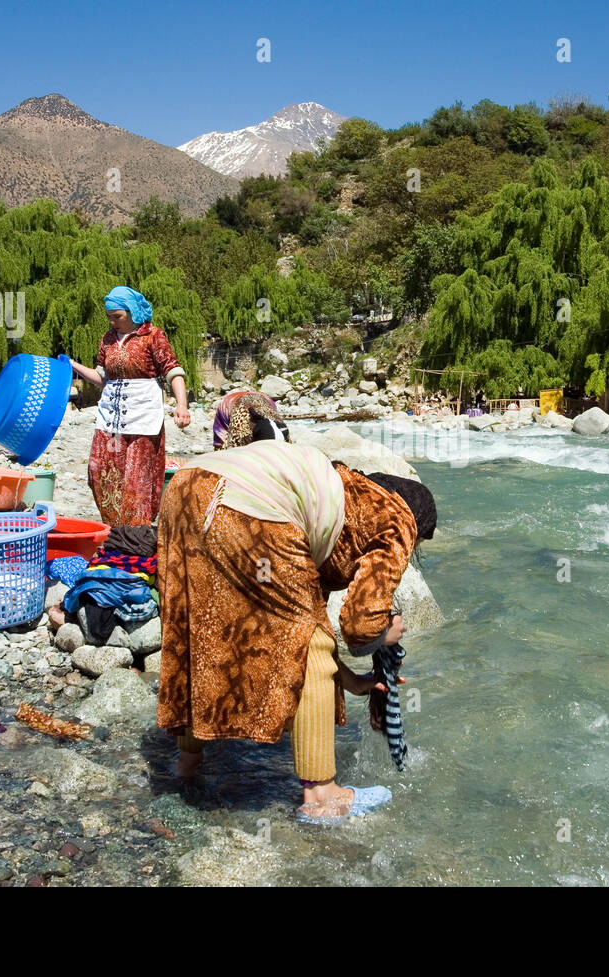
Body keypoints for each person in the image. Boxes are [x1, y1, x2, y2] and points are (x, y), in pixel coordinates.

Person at [157, 437, 438, 823]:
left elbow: (308, 610)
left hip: (185, 490)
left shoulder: (338, 496)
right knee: (306, 641)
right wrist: (383, 635)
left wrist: (350, 681)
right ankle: (323, 796)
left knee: (198, 625)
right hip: (245, 506)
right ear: (418, 525)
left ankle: (187, 762)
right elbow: (354, 627)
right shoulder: (397, 516)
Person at [66, 286, 191, 525]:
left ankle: (135, 533)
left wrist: (182, 405)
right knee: (99, 469)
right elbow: (102, 377)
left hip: (142, 415)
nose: (112, 321)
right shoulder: (108, 339)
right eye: (109, 316)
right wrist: (72, 364)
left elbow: (173, 371)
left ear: (132, 312)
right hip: (110, 417)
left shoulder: (153, 335)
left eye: (117, 316)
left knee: (137, 476)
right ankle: (114, 527)